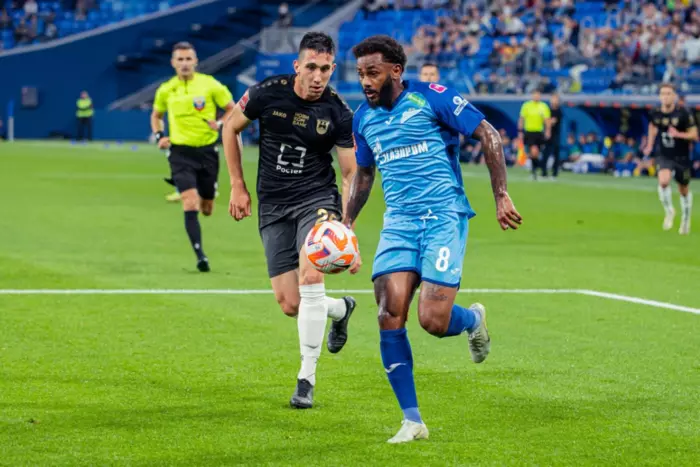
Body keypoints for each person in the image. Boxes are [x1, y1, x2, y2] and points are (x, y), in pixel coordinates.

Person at [344, 35, 522, 444]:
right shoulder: (363, 118)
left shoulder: (432, 98)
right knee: (389, 313)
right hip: (399, 224)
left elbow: (488, 133)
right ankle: (412, 421)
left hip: (443, 217)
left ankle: (472, 320)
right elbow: (365, 175)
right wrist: (347, 222)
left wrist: (500, 194)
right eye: (360, 74)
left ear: (395, 71)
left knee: (433, 321)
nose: (365, 81)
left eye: (373, 73)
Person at [222, 32, 360, 409]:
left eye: (325, 69)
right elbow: (230, 128)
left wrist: (346, 229)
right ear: (297, 66)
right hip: (273, 203)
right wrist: (237, 185)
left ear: (333, 69)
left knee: (311, 276)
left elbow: (350, 173)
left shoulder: (338, 112)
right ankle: (340, 309)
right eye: (311, 67)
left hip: (316, 199)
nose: (318, 76)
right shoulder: (267, 93)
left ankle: (306, 380)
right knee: (291, 303)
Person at [151, 42, 235, 271]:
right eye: (180, 59)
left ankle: (206, 192)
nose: (185, 64)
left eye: (188, 59)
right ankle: (200, 256)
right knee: (190, 202)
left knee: (207, 208)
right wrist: (160, 135)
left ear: (196, 61)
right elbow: (156, 115)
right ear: (173, 63)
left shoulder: (210, 84)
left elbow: (232, 109)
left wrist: (219, 123)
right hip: (179, 152)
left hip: (207, 152)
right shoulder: (166, 89)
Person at [643, 83, 697, 235]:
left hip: (681, 156)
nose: (665, 97)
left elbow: (694, 135)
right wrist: (650, 144)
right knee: (663, 181)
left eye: (668, 93)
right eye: (663, 93)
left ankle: (686, 218)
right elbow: (652, 126)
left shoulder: (684, 113)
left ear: (674, 96)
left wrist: (679, 134)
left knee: (683, 189)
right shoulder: (655, 113)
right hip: (664, 154)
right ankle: (669, 211)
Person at [518, 90, 551, 181]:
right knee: (533, 151)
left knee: (535, 153)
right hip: (529, 132)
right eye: (535, 95)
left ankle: (534, 170)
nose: (536, 96)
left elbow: (547, 120)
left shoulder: (543, 106)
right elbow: (521, 119)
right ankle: (538, 169)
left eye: (538, 95)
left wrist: (548, 131)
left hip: (539, 132)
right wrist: (520, 131)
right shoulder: (526, 106)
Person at [542, 93, 562, 179]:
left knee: (556, 154)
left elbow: (551, 122)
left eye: (556, 99)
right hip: (547, 135)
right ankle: (544, 172)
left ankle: (555, 172)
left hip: (556, 135)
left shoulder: (559, 111)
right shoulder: (547, 110)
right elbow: (545, 120)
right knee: (546, 153)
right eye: (553, 99)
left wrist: (547, 121)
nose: (554, 101)